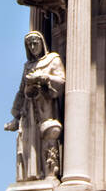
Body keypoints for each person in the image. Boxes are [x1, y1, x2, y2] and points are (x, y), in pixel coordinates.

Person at [5, 31, 66, 181]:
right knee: (28, 142)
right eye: (29, 44)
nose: (33, 47)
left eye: (35, 43)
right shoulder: (28, 66)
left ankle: (49, 173)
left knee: (47, 136)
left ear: (42, 43)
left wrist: (44, 78)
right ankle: (33, 174)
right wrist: (15, 115)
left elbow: (61, 81)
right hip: (28, 109)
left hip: (46, 107)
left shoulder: (53, 59)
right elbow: (21, 91)